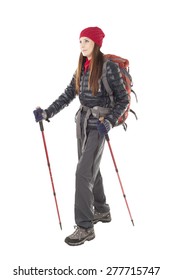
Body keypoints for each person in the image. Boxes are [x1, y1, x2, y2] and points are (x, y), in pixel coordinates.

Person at [33, 26, 130, 246]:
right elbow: (69, 94)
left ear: (96, 43)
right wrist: (47, 112)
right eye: (80, 41)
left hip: (100, 125)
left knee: (82, 173)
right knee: (89, 170)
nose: (82, 45)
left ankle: (85, 227)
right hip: (83, 124)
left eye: (86, 41)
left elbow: (123, 100)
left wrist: (111, 122)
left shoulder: (109, 67)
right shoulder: (82, 67)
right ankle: (102, 210)